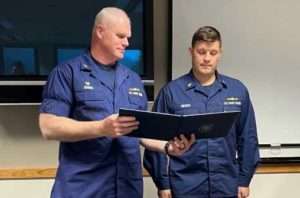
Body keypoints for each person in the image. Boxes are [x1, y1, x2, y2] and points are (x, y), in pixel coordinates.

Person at [39, 7, 195, 198]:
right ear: (100, 31)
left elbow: (140, 132)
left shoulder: (133, 80)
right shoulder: (67, 73)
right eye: (121, 36)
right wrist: (101, 128)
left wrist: (166, 147)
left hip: (126, 188)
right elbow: (49, 127)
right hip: (83, 188)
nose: (126, 43)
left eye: (128, 37)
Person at [144, 26, 260, 198]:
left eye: (213, 53)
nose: (207, 58)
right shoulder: (171, 92)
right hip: (184, 187)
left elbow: (248, 138)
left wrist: (244, 179)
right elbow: (154, 138)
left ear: (220, 53)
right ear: (191, 52)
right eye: (201, 52)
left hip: (226, 186)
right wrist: (163, 183)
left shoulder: (237, 90)